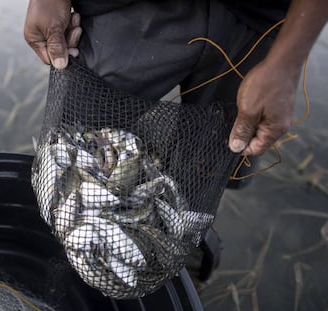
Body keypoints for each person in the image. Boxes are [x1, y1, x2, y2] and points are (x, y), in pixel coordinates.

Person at [23, 0, 328, 283]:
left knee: (209, 163)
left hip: (257, 22)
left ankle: (184, 237)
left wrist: (287, 65)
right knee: (78, 139)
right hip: (127, 8)